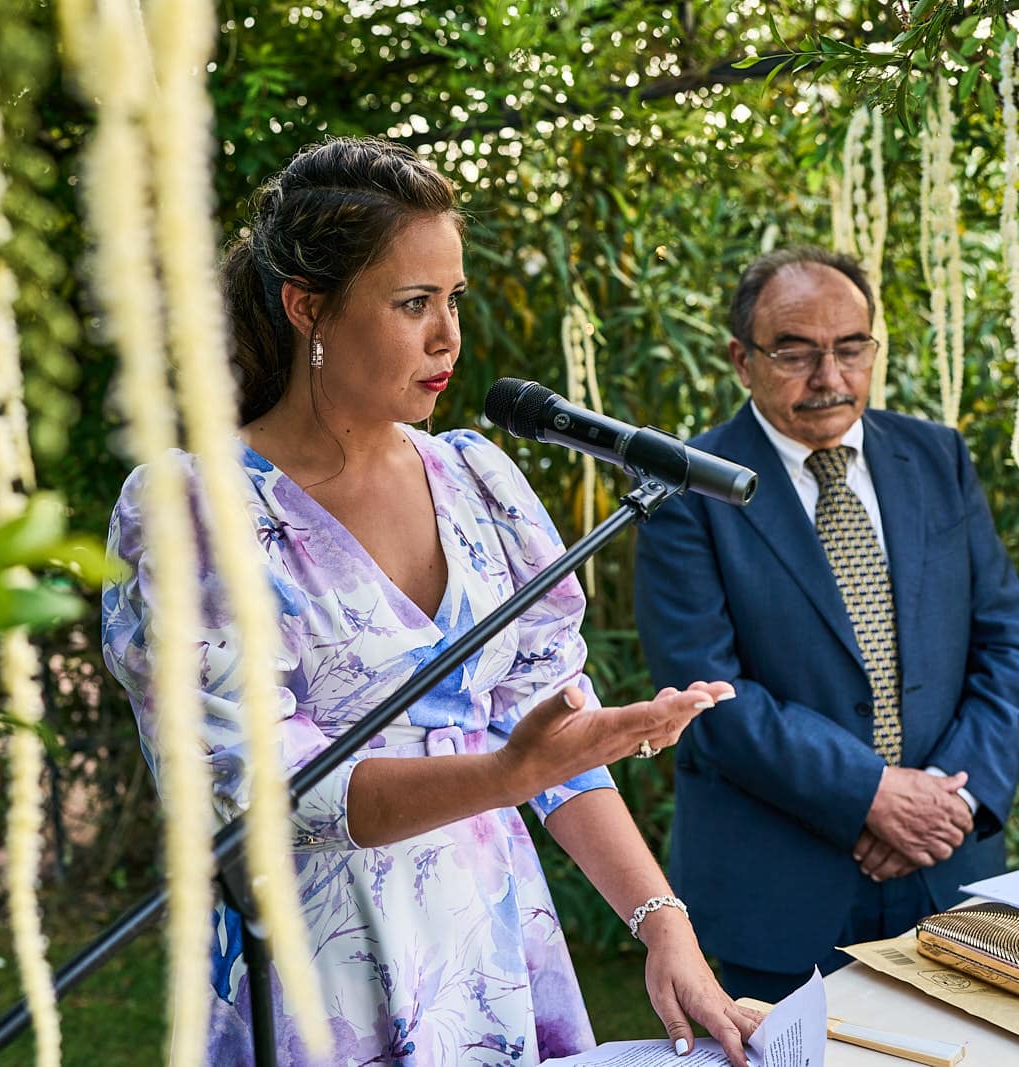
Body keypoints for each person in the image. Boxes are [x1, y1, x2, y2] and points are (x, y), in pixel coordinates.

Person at [103, 138, 759, 1066]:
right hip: (320, 977)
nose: (447, 336)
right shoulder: (194, 509)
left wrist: (664, 927)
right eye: (413, 304)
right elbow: (246, 791)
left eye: (452, 299)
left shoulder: (478, 481)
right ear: (306, 307)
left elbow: (547, 743)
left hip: (494, 952)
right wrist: (503, 775)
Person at [633, 246, 1019, 1003]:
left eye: (851, 347)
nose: (830, 377)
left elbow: (1009, 647)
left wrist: (953, 800)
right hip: (779, 891)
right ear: (741, 358)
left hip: (948, 872)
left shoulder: (937, 456)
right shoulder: (687, 486)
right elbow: (706, 693)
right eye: (795, 351)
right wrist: (872, 794)